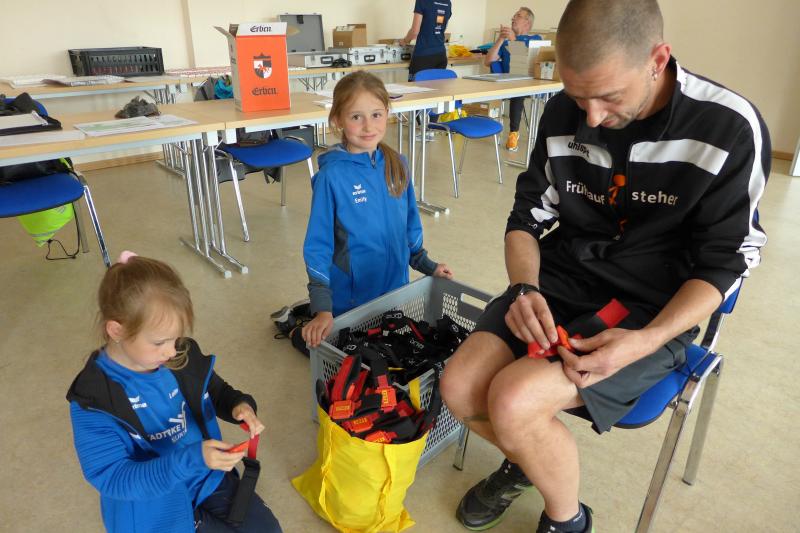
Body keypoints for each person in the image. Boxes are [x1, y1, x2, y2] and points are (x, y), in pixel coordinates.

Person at [440, 0, 770, 532]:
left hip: (653, 308)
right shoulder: (561, 112)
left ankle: (566, 519)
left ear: (657, 60)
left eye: (609, 96)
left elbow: (727, 261)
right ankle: (528, 458)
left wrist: (645, 341)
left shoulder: (727, 127)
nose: (591, 118)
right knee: (458, 386)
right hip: (561, 278)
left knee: (514, 401)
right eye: (577, 97)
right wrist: (523, 288)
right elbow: (526, 218)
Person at [67, 252, 282, 533]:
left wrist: (238, 405)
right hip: (150, 505)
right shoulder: (93, 401)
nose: (171, 351)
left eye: (176, 338)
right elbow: (115, 478)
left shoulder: (177, 354)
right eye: (159, 343)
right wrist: (191, 459)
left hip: (206, 476)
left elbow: (214, 390)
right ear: (116, 330)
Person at [302, 71, 453, 347]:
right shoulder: (331, 177)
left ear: (387, 113)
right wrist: (322, 307)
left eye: (376, 114)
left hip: (393, 295)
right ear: (337, 120)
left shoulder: (398, 164)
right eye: (356, 117)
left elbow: (410, 227)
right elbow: (318, 245)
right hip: (350, 303)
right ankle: (299, 323)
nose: (368, 126)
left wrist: (427, 266)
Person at [484, 7, 536, 152]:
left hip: (526, 82)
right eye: (513, 16)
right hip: (505, 82)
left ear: (527, 22)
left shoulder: (535, 39)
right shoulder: (505, 42)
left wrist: (513, 39)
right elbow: (488, 61)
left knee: (518, 90)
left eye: (518, 16)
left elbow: (525, 63)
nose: (513, 18)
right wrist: (501, 39)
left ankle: (513, 133)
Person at [401, 0, 453, 80]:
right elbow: (440, 25)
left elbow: (414, 32)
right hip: (441, 55)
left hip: (423, 56)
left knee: (414, 87)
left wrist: (405, 41)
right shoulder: (447, 2)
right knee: (437, 87)